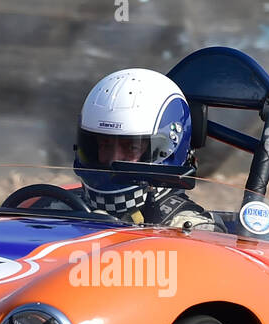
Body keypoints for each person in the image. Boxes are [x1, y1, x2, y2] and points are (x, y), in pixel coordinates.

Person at [73, 68, 221, 230]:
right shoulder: (58, 206)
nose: (112, 159)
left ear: (169, 151)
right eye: (104, 144)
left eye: (132, 147)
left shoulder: (193, 230)